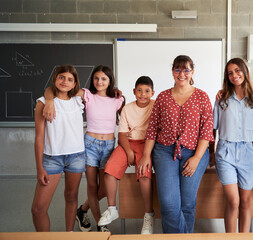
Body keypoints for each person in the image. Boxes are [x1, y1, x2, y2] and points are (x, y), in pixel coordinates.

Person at [138, 55, 214, 233]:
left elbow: (206, 131)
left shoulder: (202, 97)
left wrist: (196, 158)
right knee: (169, 204)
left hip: (194, 152)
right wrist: (146, 155)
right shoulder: (163, 97)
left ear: (192, 72)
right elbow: (153, 129)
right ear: (172, 72)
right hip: (164, 152)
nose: (182, 74)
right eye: (178, 70)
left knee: (187, 203)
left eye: (186, 70)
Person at [43, 65, 125, 232]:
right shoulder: (86, 94)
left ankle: (82, 211)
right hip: (89, 145)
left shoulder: (118, 100)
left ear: (110, 81)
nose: (99, 82)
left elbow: (126, 120)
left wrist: (118, 91)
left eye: (103, 79)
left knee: (104, 188)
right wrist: (49, 101)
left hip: (109, 146)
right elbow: (52, 89)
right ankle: (101, 224)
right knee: (92, 188)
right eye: (96, 78)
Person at [97, 76, 156, 234]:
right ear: (134, 92)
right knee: (109, 170)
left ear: (152, 93)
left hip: (147, 143)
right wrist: (129, 151)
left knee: (144, 173)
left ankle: (149, 215)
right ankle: (111, 208)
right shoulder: (127, 108)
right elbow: (122, 134)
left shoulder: (156, 105)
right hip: (128, 143)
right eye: (139, 91)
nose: (143, 94)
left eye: (147, 91)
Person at [212, 58, 253, 233]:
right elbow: (213, 128)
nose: (234, 75)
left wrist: (252, 150)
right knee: (233, 201)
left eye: (237, 70)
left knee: (246, 201)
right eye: (230, 73)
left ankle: (244, 237)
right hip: (225, 151)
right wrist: (212, 153)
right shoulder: (221, 99)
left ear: (245, 71)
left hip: (246, 152)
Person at [31, 64, 85, 232]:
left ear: (74, 83)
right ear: (55, 79)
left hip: (76, 157)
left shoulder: (78, 100)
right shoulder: (43, 103)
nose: (65, 81)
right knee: (38, 209)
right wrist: (40, 168)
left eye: (70, 79)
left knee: (71, 197)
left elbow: (96, 91)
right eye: (61, 77)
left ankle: (69, 234)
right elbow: (39, 137)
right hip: (52, 158)